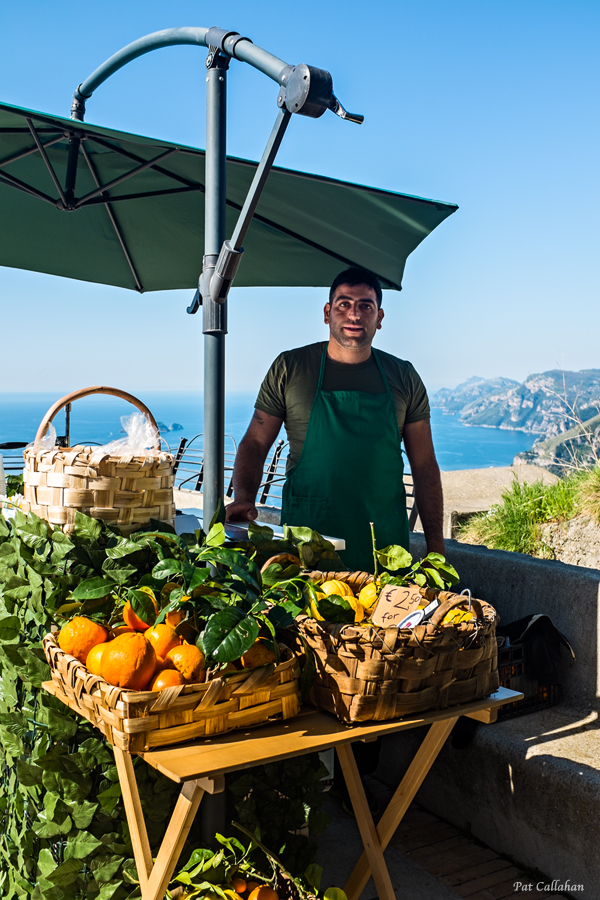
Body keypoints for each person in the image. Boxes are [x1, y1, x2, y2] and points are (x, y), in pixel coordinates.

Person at [226, 267, 445, 566]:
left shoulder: (404, 376)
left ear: (379, 318)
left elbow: (425, 467)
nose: (354, 315)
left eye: (365, 306)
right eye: (344, 304)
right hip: (308, 538)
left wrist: (436, 549)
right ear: (327, 313)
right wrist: (243, 500)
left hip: (383, 545)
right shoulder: (290, 368)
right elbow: (255, 442)